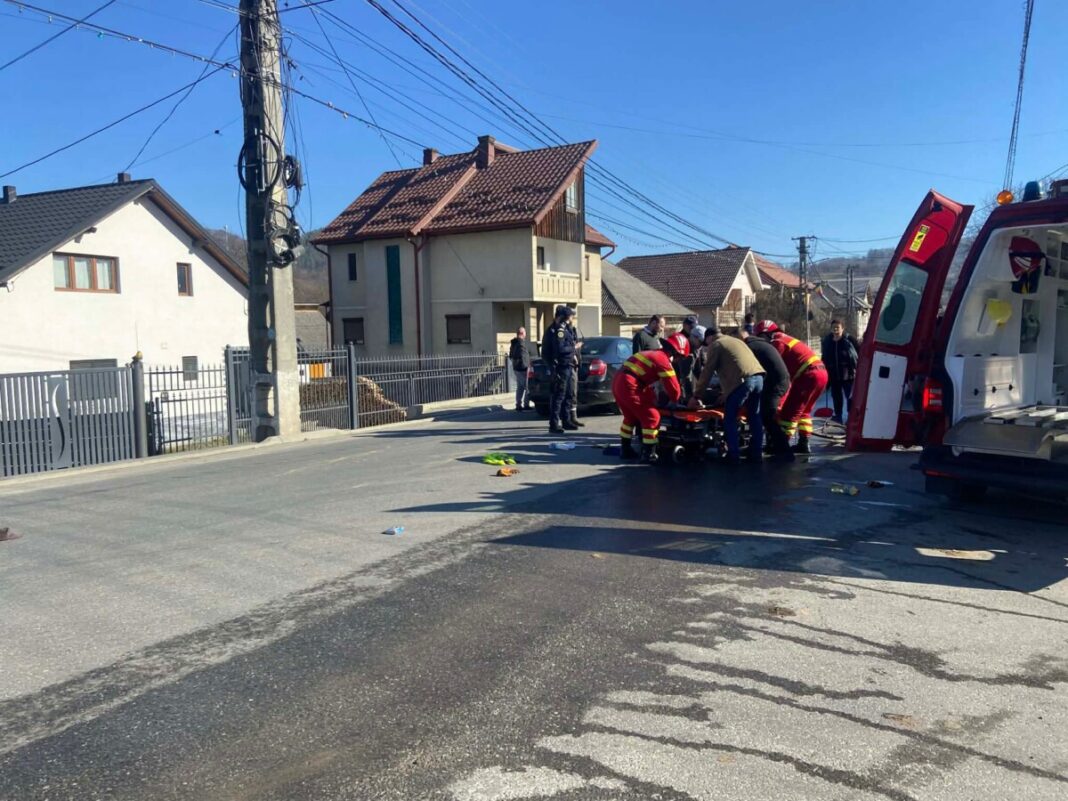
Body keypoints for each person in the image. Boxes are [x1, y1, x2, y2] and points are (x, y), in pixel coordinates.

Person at [689, 324, 765, 464]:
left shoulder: (716, 345)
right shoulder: (735, 341)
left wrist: (696, 396)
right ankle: (757, 452)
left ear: (710, 337)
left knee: (729, 418)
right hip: (759, 377)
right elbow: (735, 365)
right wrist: (726, 391)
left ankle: (733, 455)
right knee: (754, 416)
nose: (707, 346)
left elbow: (707, 372)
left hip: (743, 382)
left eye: (706, 343)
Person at [754, 320, 828, 454]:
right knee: (804, 412)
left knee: (789, 412)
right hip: (820, 373)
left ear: (766, 334)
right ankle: (804, 444)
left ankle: (782, 446)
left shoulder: (777, 343)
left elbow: (774, 369)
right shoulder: (785, 339)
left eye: (760, 337)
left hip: (808, 375)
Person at [612, 332, 688, 463]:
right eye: (680, 358)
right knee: (652, 417)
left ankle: (625, 449)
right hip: (630, 385)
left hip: (619, 382)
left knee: (630, 417)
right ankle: (649, 454)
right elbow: (674, 389)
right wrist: (676, 401)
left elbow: (647, 382)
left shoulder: (652, 354)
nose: (678, 361)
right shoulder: (663, 360)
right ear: (676, 354)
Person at [739, 327, 793, 460]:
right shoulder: (760, 343)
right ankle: (767, 446)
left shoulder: (750, 348)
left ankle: (784, 451)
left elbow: (746, 369)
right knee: (762, 413)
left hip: (775, 384)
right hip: (779, 381)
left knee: (767, 416)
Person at [541, 305, 579, 434]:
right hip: (560, 367)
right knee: (559, 395)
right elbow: (561, 349)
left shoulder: (564, 329)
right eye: (568, 316)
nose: (570, 318)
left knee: (568, 394)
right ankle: (554, 424)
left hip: (567, 365)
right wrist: (574, 348)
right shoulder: (557, 330)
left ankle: (566, 420)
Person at [820, 320, 859, 423]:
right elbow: (824, 357)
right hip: (833, 375)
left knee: (850, 397)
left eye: (838, 327)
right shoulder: (827, 341)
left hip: (848, 375)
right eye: (833, 327)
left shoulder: (849, 340)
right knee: (836, 397)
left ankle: (851, 417)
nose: (835, 329)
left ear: (843, 328)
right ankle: (838, 417)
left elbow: (860, 352)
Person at [565, 317, 585, 427]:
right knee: (571, 393)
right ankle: (570, 418)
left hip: (575, 365)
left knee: (574, 392)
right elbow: (566, 347)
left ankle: (573, 417)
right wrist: (575, 348)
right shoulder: (565, 332)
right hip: (569, 365)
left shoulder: (573, 332)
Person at [508, 327, 533, 411]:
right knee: (528, 387)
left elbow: (511, 356)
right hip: (523, 368)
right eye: (525, 332)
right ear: (522, 333)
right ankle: (526, 404)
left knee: (520, 387)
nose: (526, 334)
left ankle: (518, 404)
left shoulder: (514, 343)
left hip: (516, 368)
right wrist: (528, 366)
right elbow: (524, 356)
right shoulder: (521, 343)